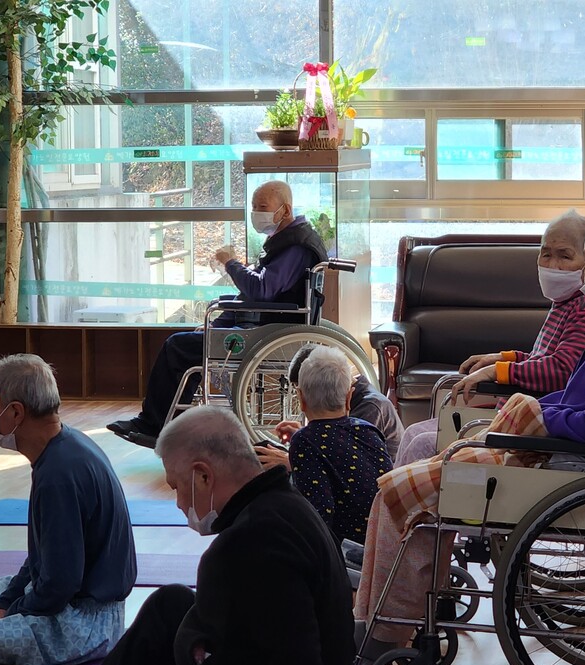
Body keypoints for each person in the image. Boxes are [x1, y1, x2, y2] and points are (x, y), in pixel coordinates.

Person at [353, 200, 585, 665]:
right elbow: (580, 399)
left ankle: (383, 631)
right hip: (567, 451)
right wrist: (533, 411)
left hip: (576, 463)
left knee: (398, 493)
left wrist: (535, 416)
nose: (581, 272)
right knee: (410, 483)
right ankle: (379, 616)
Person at [0, 406, 367, 665]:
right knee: (169, 604)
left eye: (176, 486)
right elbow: (332, 617)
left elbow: (297, 654)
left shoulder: (251, 542)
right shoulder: (286, 503)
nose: (177, 503)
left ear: (203, 474)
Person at [108, 180, 329, 445]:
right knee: (190, 345)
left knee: (177, 347)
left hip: (270, 332)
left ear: (286, 209)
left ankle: (155, 424)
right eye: (253, 207)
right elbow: (255, 294)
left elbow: (260, 290)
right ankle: (164, 424)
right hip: (267, 324)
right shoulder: (288, 240)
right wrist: (221, 320)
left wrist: (230, 263)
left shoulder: (295, 247)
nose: (256, 213)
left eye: (263, 207)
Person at [0, 354, 137, 665]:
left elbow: (58, 585)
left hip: (81, 626)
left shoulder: (59, 474)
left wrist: (10, 614)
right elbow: (44, 560)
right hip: (72, 607)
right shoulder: (67, 446)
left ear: (15, 412)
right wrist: (3, 603)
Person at [394, 210, 585, 467]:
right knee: (413, 433)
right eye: (546, 254)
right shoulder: (565, 302)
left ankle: (407, 505)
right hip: (516, 414)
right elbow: (546, 358)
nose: (552, 265)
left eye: (565, 256)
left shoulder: (584, 307)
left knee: (421, 443)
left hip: (536, 424)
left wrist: (497, 371)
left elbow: (562, 370)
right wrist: (502, 358)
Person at [267, 345, 392, 550]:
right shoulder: (369, 430)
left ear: (301, 398)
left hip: (347, 548)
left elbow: (319, 514)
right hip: (383, 539)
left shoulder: (305, 440)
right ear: (349, 397)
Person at [259, 343, 404, 464]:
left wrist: (291, 462)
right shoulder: (354, 397)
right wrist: (304, 434)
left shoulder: (371, 408)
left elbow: (346, 464)